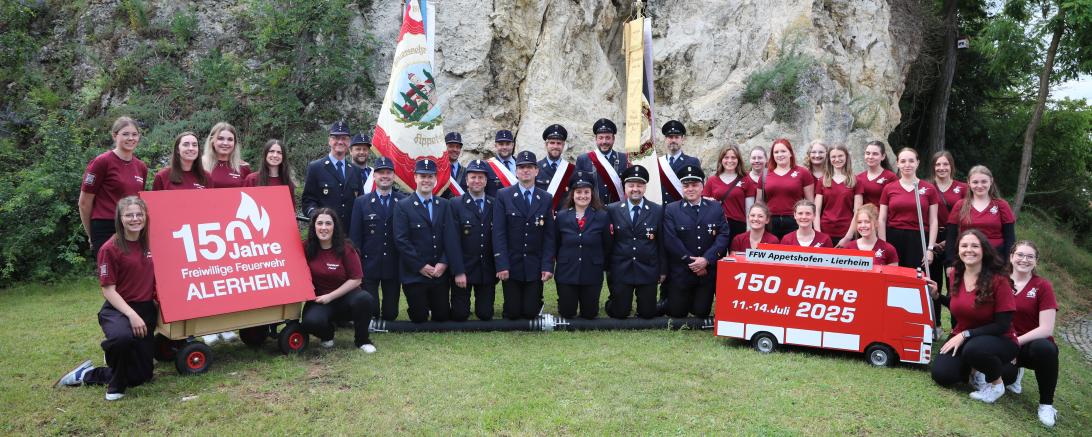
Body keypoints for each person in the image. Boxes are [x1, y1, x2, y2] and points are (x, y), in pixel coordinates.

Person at [57, 196, 156, 401]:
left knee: (142, 376)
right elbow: (108, 290)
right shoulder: (110, 248)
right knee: (122, 339)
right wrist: (131, 315)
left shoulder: (151, 241)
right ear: (120, 218)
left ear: (145, 217)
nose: (135, 219)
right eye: (129, 215)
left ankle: (88, 372)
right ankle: (113, 381)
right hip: (118, 309)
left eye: (139, 214)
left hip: (146, 308)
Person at [930, 230, 1018, 405]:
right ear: (958, 250)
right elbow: (962, 307)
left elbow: (1002, 325)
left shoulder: (999, 280)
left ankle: (996, 385)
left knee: (974, 349)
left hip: (999, 339)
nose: (969, 250)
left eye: (974, 246)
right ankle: (975, 369)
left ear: (984, 250)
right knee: (942, 374)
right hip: (965, 337)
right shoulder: (956, 274)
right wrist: (938, 296)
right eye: (964, 245)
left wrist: (965, 335)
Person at [393, 159, 466, 322]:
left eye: (430, 176)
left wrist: (444, 263)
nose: (426, 180)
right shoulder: (403, 206)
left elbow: (452, 237)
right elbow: (401, 240)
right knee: (419, 318)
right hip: (415, 273)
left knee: (441, 317)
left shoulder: (445, 205)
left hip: (438, 272)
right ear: (415, 178)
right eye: (422, 176)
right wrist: (420, 266)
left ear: (435, 179)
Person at [299, 208, 377, 353]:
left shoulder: (346, 248)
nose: (323, 228)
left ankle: (362, 340)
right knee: (310, 322)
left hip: (345, 297)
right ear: (313, 226)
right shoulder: (305, 247)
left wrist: (331, 296)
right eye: (320, 223)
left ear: (334, 227)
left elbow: (356, 279)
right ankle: (327, 335)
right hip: (319, 299)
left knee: (365, 299)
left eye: (328, 224)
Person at [1001, 241, 1060, 427]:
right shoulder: (999, 280)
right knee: (1003, 377)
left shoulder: (1043, 286)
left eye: (1030, 256)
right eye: (1019, 255)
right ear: (1011, 257)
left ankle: (1046, 405)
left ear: (1036, 261)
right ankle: (1014, 373)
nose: (1024, 260)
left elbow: (1046, 329)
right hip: (1004, 342)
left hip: (1030, 344)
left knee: (1046, 349)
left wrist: (1015, 343)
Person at [493, 151, 556, 320]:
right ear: (516, 171)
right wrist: (501, 264)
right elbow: (498, 233)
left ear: (536, 171)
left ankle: (536, 302)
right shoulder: (503, 195)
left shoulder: (545, 197)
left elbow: (549, 236)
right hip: (512, 264)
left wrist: (547, 266)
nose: (525, 171)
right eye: (521, 167)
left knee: (530, 313)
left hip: (534, 264)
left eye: (530, 167)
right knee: (512, 313)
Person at [663, 166, 731, 318]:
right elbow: (671, 240)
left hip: (706, 271)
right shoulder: (671, 209)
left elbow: (723, 235)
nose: (690, 189)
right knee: (677, 313)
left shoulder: (715, 207)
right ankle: (667, 300)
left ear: (702, 187)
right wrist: (693, 263)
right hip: (682, 270)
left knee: (701, 312)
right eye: (686, 186)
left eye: (694, 185)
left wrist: (706, 260)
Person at [79, 116, 148, 259]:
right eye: (125, 134)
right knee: (111, 277)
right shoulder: (101, 162)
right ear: (114, 135)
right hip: (106, 227)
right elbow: (84, 203)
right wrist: (91, 234)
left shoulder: (141, 167)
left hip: (131, 226)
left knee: (132, 275)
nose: (131, 138)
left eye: (134, 134)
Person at [605, 165, 665, 319]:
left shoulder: (657, 210)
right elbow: (608, 242)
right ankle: (615, 300)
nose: (635, 189)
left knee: (648, 314)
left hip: (647, 269)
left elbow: (661, 243)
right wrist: (609, 269)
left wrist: (662, 270)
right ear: (625, 187)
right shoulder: (612, 210)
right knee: (619, 313)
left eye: (639, 185)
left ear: (645, 187)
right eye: (631, 185)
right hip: (621, 269)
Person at [348, 157, 405, 321]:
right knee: (371, 312)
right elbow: (355, 237)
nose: (385, 176)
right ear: (374, 176)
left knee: (390, 315)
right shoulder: (361, 202)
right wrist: (357, 266)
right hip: (369, 264)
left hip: (393, 264)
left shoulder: (402, 201)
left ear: (394, 176)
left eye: (388, 173)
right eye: (381, 173)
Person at [554, 172, 611, 319]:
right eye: (578, 192)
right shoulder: (561, 216)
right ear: (572, 194)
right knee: (567, 313)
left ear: (592, 194)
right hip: (567, 271)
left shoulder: (602, 216)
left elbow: (607, 244)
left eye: (586, 192)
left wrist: (600, 263)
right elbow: (556, 243)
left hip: (591, 271)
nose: (582, 196)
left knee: (590, 314)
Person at [449, 160, 497, 321]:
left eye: (480, 177)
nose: (477, 181)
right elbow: (452, 241)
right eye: (473, 177)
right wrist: (458, 271)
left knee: (485, 314)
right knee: (459, 315)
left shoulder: (494, 203)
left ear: (486, 181)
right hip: (464, 267)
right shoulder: (455, 204)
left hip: (486, 269)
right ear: (466, 180)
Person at [879, 148, 938, 270]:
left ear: (917, 162)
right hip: (893, 237)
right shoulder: (889, 188)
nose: (907, 165)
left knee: (916, 277)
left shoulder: (929, 189)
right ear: (898, 163)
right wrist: (883, 245)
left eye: (911, 161)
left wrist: (930, 248)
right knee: (893, 276)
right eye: (903, 161)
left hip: (918, 238)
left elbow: (933, 221)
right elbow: (882, 219)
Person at [946, 165, 1016, 263]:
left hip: (996, 259)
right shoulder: (960, 205)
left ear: (991, 181)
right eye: (975, 182)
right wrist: (950, 262)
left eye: (984, 181)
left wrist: (1009, 262)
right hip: (967, 258)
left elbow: (1010, 238)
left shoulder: (1001, 205)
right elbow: (951, 237)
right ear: (969, 183)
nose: (979, 186)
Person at [930, 150, 966, 328]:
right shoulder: (926, 186)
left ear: (951, 166)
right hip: (931, 239)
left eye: (945, 164)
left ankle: (956, 326)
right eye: (938, 164)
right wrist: (932, 243)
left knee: (954, 285)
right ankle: (934, 325)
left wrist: (949, 241)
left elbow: (967, 217)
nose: (942, 168)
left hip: (956, 239)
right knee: (932, 283)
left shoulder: (963, 188)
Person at [302, 121, 363, 226]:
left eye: (344, 138)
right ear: (329, 141)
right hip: (325, 233)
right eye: (336, 137)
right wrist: (317, 217)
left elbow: (360, 203)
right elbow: (308, 201)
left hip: (349, 235)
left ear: (349, 142)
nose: (340, 142)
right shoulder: (316, 167)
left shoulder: (355, 170)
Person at [763, 138, 815, 238]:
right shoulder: (765, 174)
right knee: (773, 252)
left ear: (790, 153)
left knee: (793, 252)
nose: (780, 154)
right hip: (770, 222)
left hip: (796, 221)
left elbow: (810, 202)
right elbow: (759, 202)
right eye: (776, 152)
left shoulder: (803, 173)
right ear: (772, 155)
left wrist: (810, 224)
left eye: (783, 151)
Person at [702, 144, 754, 239]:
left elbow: (750, 209)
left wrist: (749, 229)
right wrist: (710, 201)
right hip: (717, 224)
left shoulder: (746, 180)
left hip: (738, 225)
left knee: (736, 253)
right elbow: (704, 205)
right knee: (718, 253)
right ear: (721, 160)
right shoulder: (712, 180)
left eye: (733, 157)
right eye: (726, 157)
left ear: (738, 160)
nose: (730, 161)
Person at [575, 118, 629, 205]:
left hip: (617, 211)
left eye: (608, 138)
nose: (604, 142)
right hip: (593, 211)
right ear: (596, 139)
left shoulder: (624, 158)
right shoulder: (583, 159)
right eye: (601, 138)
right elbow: (577, 187)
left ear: (613, 139)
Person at [814, 144, 860, 246]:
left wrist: (848, 237)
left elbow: (858, 212)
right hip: (825, 230)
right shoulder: (823, 181)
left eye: (840, 156)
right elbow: (816, 210)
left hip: (846, 231)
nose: (837, 159)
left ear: (846, 157)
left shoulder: (856, 181)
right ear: (829, 159)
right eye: (833, 157)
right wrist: (818, 234)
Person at [660, 120, 701, 204]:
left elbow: (699, 189)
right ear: (665, 139)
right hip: (661, 212)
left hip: (684, 212)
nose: (673, 140)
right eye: (670, 137)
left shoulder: (693, 162)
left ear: (682, 139)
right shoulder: (658, 163)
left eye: (677, 137)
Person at [244, 139, 297, 205]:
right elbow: (245, 205)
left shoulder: (288, 182)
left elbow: (291, 210)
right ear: (265, 154)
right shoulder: (252, 179)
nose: (275, 155)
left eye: (279, 152)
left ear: (283, 157)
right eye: (271, 151)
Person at [201, 122, 250, 188]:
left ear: (234, 143)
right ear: (212, 141)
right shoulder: (200, 164)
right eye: (220, 138)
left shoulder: (244, 167)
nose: (225, 143)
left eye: (230, 139)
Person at [856, 140, 896, 207]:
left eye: (875, 154)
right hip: (864, 217)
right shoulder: (858, 177)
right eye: (868, 153)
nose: (870, 157)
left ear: (883, 156)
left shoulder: (891, 177)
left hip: (884, 216)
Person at [535, 124, 571, 196]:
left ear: (563, 145)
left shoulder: (571, 170)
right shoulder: (536, 168)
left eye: (559, 143)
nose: (555, 146)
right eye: (552, 143)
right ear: (546, 145)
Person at [484, 129, 518, 197]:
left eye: (507, 144)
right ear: (495, 146)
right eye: (501, 144)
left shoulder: (521, 164)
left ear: (512, 145)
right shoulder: (487, 166)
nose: (504, 147)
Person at [441, 131, 466, 198]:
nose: (455, 149)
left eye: (458, 147)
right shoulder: (438, 170)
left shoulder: (466, 172)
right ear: (444, 147)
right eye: (451, 146)